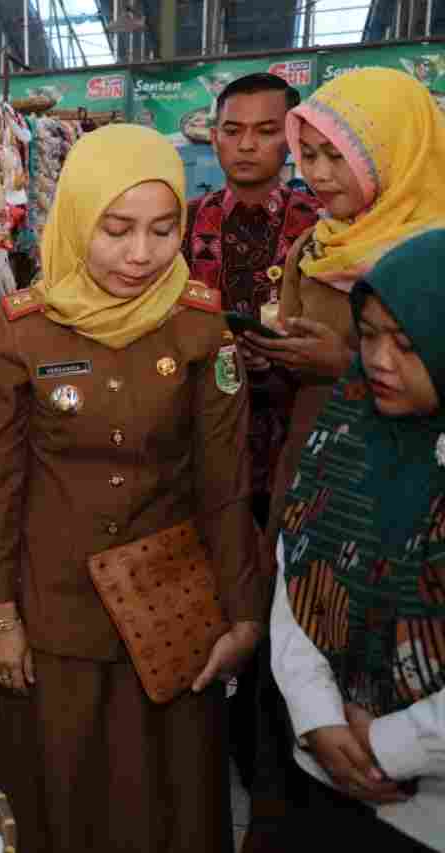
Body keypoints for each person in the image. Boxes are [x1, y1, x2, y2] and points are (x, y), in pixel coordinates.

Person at [0, 124, 266, 852]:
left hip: (170, 613)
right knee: (60, 787)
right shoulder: (24, 331)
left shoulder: (199, 328)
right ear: (78, 218)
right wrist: (2, 614)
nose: (141, 254)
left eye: (163, 230)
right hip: (55, 607)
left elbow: (226, 483)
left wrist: (242, 615)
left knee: (165, 800)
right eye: (116, 229)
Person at [271, 228, 445, 851]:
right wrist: (317, 716)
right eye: (367, 335)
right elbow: (299, 567)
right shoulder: (351, 424)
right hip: (323, 775)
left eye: (407, 343)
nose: (378, 360)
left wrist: (389, 745)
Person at [245, 69, 445, 537]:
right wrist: (269, 358)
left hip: (409, 486)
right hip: (314, 471)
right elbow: (289, 376)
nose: (317, 174)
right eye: (309, 154)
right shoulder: (313, 248)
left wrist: (345, 365)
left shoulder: (434, 257)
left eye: (337, 156)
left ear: (395, 152)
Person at [184, 72, 322, 524]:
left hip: (296, 438)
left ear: (291, 139)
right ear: (214, 137)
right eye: (232, 130)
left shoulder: (323, 228)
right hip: (198, 437)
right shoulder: (179, 224)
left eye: (265, 131)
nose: (246, 145)